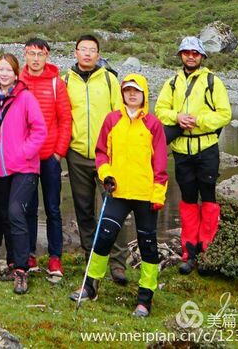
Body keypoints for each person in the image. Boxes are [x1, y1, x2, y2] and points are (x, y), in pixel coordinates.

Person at [71, 73, 167, 318]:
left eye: (136, 91)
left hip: (145, 195)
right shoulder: (112, 120)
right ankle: (91, 286)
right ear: (122, 93)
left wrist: (158, 194)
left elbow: (161, 163)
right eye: (127, 90)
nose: (132, 94)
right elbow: (101, 153)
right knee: (103, 238)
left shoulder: (153, 124)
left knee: (148, 246)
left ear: (144, 95)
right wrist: (106, 175)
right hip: (118, 191)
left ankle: (145, 299)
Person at [154, 36, 232, 273]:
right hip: (181, 151)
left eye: (195, 53)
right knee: (188, 199)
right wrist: (177, 117)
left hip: (206, 148)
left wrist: (198, 121)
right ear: (180, 56)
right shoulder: (171, 83)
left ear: (202, 57)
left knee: (208, 198)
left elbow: (224, 114)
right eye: (186, 52)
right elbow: (159, 110)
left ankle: (207, 253)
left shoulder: (212, 81)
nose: (190, 56)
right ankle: (189, 252)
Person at [63, 34, 127, 284]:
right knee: (84, 209)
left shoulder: (110, 80)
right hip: (77, 153)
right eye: (83, 49)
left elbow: (120, 117)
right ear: (75, 52)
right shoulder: (66, 80)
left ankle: (118, 263)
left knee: (114, 207)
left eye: (92, 50)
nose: (87, 54)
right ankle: (91, 258)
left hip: (106, 156)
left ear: (98, 55)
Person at [0, 54, 47, 295]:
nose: (4, 74)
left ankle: (22, 269)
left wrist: (23, 153)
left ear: (16, 73)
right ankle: (11, 263)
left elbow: (39, 130)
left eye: (9, 70)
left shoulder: (26, 97)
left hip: (24, 168)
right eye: (0, 69)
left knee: (16, 212)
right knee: (4, 214)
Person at [20, 36, 72, 281]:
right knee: (28, 208)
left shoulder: (56, 84)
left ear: (47, 56)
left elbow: (65, 119)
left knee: (52, 208)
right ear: (25, 55)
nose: (36, 59)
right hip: (26, 158)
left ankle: (55, 257)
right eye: (32, 54)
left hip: (50, 156)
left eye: (40, 54)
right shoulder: (19, 81)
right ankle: (29, 254)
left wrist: (58, 152)